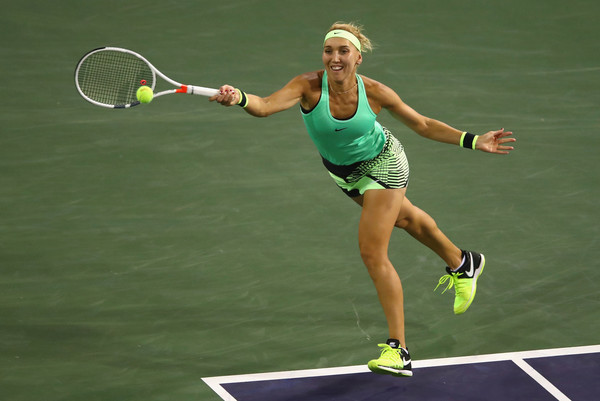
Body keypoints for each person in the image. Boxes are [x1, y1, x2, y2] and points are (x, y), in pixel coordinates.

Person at [210, 22, 515, 377]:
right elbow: (263, 106)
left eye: (343, 52)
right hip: (343, 173)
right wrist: (239, 98)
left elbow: (422, 124)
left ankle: (398, 350)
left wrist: (473, 140)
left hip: (385, 164)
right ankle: (464, 262)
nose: (335, 58)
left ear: (358, 57)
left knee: (372, 252)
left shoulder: (375, 92)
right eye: (329, 51)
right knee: (406, 219)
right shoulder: (307, 86)